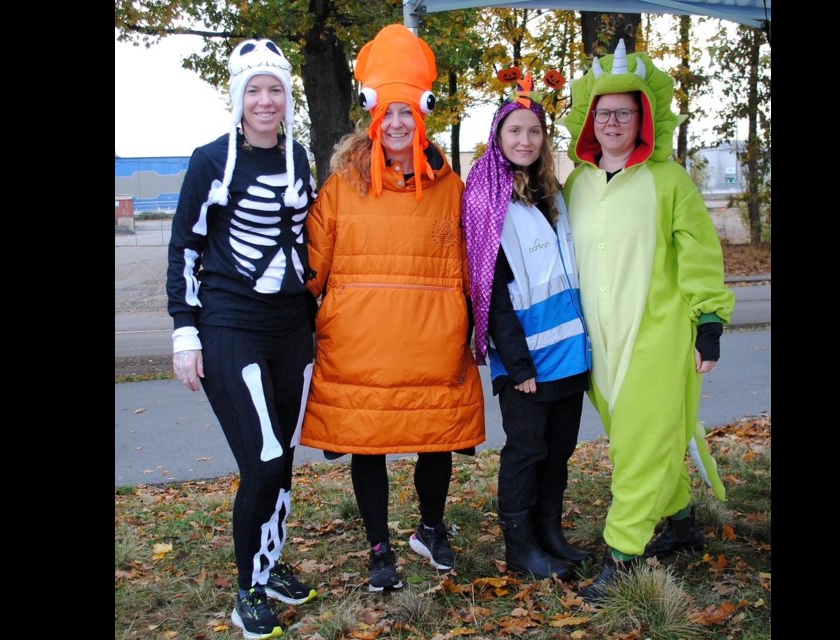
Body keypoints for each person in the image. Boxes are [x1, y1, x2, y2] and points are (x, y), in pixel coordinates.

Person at [299, 24, 486, 593]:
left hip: (433, 347)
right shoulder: (341, 188)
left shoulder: (450, 189)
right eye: (391, 114)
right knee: (369, 446)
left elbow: (473, 266)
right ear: (374, 118)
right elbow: (311, 267)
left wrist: (477, 326)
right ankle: (379, 547)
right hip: (361, 349)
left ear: (421, 117)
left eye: (409, 114)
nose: (400, 124)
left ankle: (431, 528)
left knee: (436, 442)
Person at [560, 40, 737, 603]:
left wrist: (708, 319)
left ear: (643, 119)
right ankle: (681, 520)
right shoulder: (576, 184)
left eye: (624, 113)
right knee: (639, 439)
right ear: (591, 120)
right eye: (604, 112)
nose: (613, 122)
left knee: (638, 450)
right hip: (597, 342)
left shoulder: (670, 181)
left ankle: (624, 555)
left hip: (656, 335)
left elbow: (701, 255)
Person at [166, 38, 319, 640]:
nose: (264, 100)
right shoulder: (211, 160)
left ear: (287, 98)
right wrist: (185, 330)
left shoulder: (299, 157)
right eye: (253, 89)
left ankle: (269, 562)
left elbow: (310, 240)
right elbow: (184, 245)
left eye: (274, 89)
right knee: (263, 461)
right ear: (237, 97)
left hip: (290, 331)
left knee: (282, 459)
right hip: (230, 326)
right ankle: (246, 590)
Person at [462, 71, 592, 582]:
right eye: (514, 131)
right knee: (526, 451)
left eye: (534, 131)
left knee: (559, 450)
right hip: (526, 360)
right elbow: (486, 289)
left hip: (569, 352)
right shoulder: (486, 197)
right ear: (498, 137)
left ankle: (549, 533)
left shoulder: (552, 193)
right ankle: (521, 547)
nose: (525, 140)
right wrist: (516, 364)